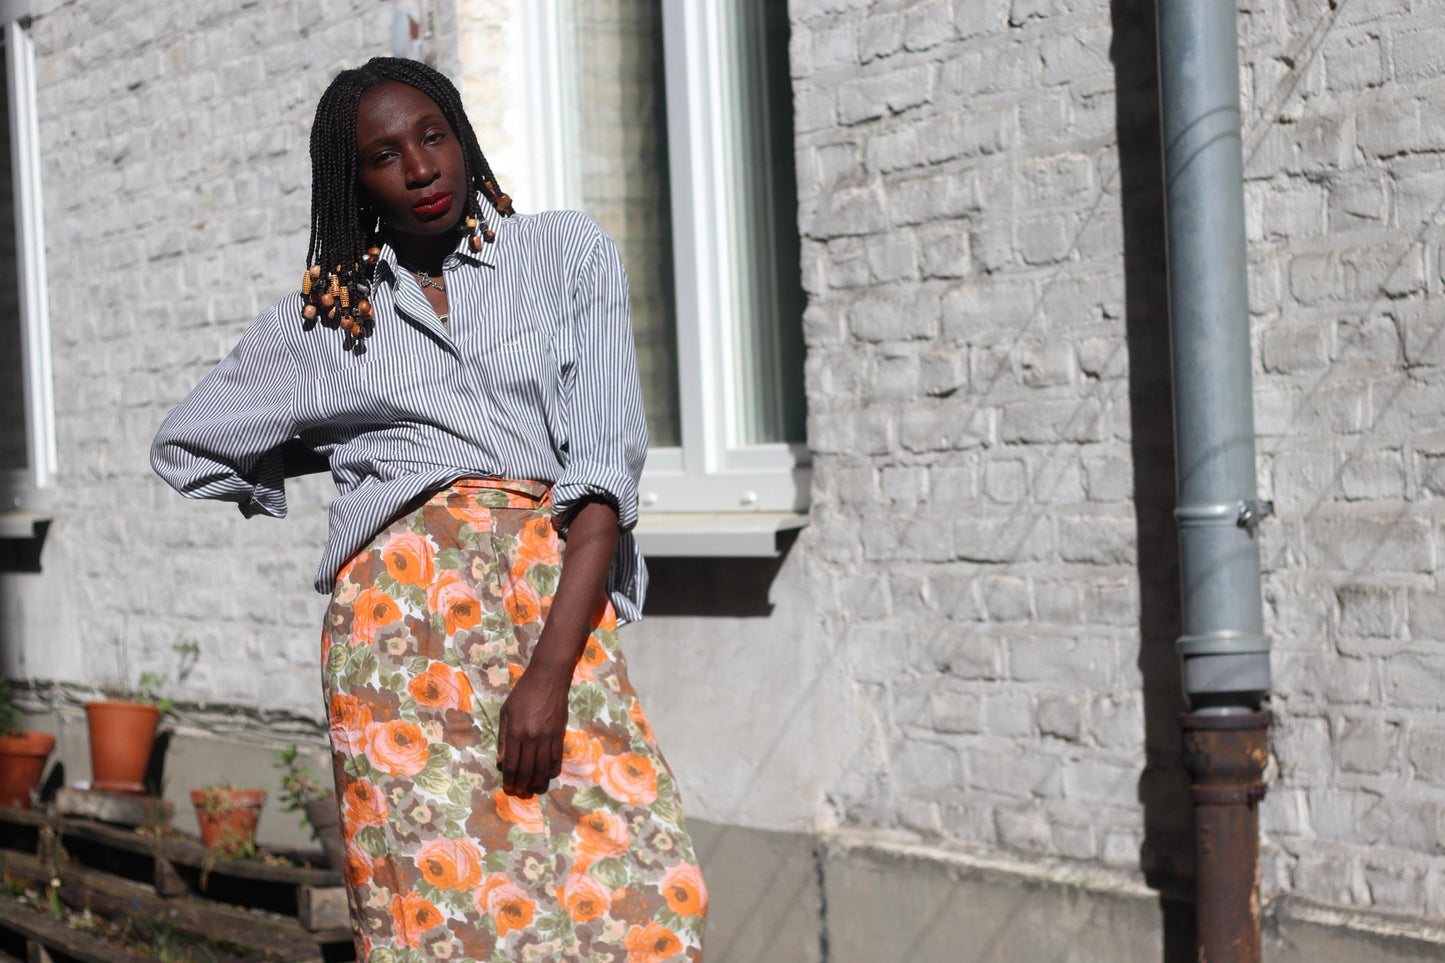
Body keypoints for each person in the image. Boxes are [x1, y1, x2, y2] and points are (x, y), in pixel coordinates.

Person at [152, 57, 706, 962]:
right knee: (436, 924)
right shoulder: (328, 319)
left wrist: (550, 672)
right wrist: (348, 449)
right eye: (383, 155)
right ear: (353, 179)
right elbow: (187, 441)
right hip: (396, 637)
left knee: (646, 897)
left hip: (546, 607)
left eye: (432, 136)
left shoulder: (562, 253)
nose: (418, 168)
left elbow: (602, 478)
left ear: (461, 137)